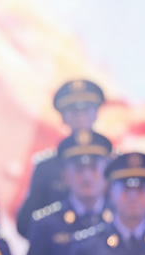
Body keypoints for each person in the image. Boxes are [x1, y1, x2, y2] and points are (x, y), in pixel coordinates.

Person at [17, 79, 105, 238]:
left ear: (96, 113)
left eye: (86, 109)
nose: (80, 116)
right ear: (63, 117)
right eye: (74, 111)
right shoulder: (46, 167)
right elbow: (25, 223)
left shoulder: (114, 163)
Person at [25, 131, 113, 255]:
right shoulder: (45, 225)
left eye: (93, 167)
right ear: (65, 175)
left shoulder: (122, 219)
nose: (86, 176)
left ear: (107, 174)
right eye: (79, 168)